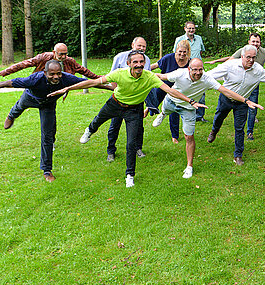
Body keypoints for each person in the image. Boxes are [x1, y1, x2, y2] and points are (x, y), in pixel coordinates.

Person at [48, 50, 203, 188]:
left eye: (141, 62)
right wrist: (68, 87)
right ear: (129, 63)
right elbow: (94, 82)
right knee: (98, 120)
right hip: (115, 103)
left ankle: (130, 175)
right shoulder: (120, 73)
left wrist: (190, 101)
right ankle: (89, 131)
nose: (139, 64)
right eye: (135, 62)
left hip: (134, 110)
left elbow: (170, 90)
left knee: (131, 144)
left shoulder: (149, 76)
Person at [0, 60, 111, 182]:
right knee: (19, 107)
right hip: (30, 98)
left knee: (47, 136)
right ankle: (11, 116)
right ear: (45, 72)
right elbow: (5, 83)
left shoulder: (67, 78)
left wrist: (110, 87)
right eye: (52, 74)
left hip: (48, 105)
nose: (56, 77)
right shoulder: (34, 79)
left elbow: (90, 83)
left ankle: (47, 170)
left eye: (58, 73)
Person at [152, 58, 263, 178]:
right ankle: (162, 114)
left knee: (189, 136)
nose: (198, 73)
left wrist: (245, 100)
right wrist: (145, 73)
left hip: (188, 108)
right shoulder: (179, 73)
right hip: (172, 101)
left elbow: (226, 91)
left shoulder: (206, 79)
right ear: (189, 69)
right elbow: (161, 76)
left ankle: (189, 166)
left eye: (201, 69)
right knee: (165, 110)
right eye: (195, 70)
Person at [206, 45, 265, 165]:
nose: (251, 60)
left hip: (243, 103)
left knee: (239, 128)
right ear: (242, 56)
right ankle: (214, 131)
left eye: (253, 57)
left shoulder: (257, 70)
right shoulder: (230, 66)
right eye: (248, 57)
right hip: (226, 99)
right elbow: (209, 75)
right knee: (219, 117)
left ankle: (238, 155)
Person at [106, 37, 151, 162]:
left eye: (144, 46)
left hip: (137, 100)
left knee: (138, 126)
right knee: (115, 125)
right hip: (119, 100)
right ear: (132, 45)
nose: (141, 48)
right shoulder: (120, 57)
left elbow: (148, 80)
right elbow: (112, 77)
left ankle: (138, 148)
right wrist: (116, 93)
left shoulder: (146, 60)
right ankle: (111, 151)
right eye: (139, 46)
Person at [144, 40, 191, 144]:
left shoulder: (190, 63)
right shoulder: (168, 58)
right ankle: (149, 109)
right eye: (180, 52)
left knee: (174, 111)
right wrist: (143, 70)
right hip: (163, 84)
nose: (182, 54)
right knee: (155, 97)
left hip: (177, 90)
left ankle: (174, 136)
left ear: (188, 52)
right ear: (176, 51)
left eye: (184, 52)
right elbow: (155, 66)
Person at [0, 43, 101, 79]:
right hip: (40, 81)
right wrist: (3, 73)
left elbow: (83, 70)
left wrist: (99, 78)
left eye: (66, 54)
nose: (64, 56)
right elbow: (23, 64)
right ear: (54, 52)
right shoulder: (44, 57)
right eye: (61, 54)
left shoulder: (69, 61)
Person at [173, 21, 208, 122]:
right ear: (185, 29)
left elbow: (201, 51)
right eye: (189, 28)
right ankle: (183, 112)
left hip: (197, 68)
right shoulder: (179, 39)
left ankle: (199, 116)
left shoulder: (199, 39)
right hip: (184, 67)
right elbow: (175, 53)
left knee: (201, 89)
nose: (191, 30)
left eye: (193, 28)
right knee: (183, 89)